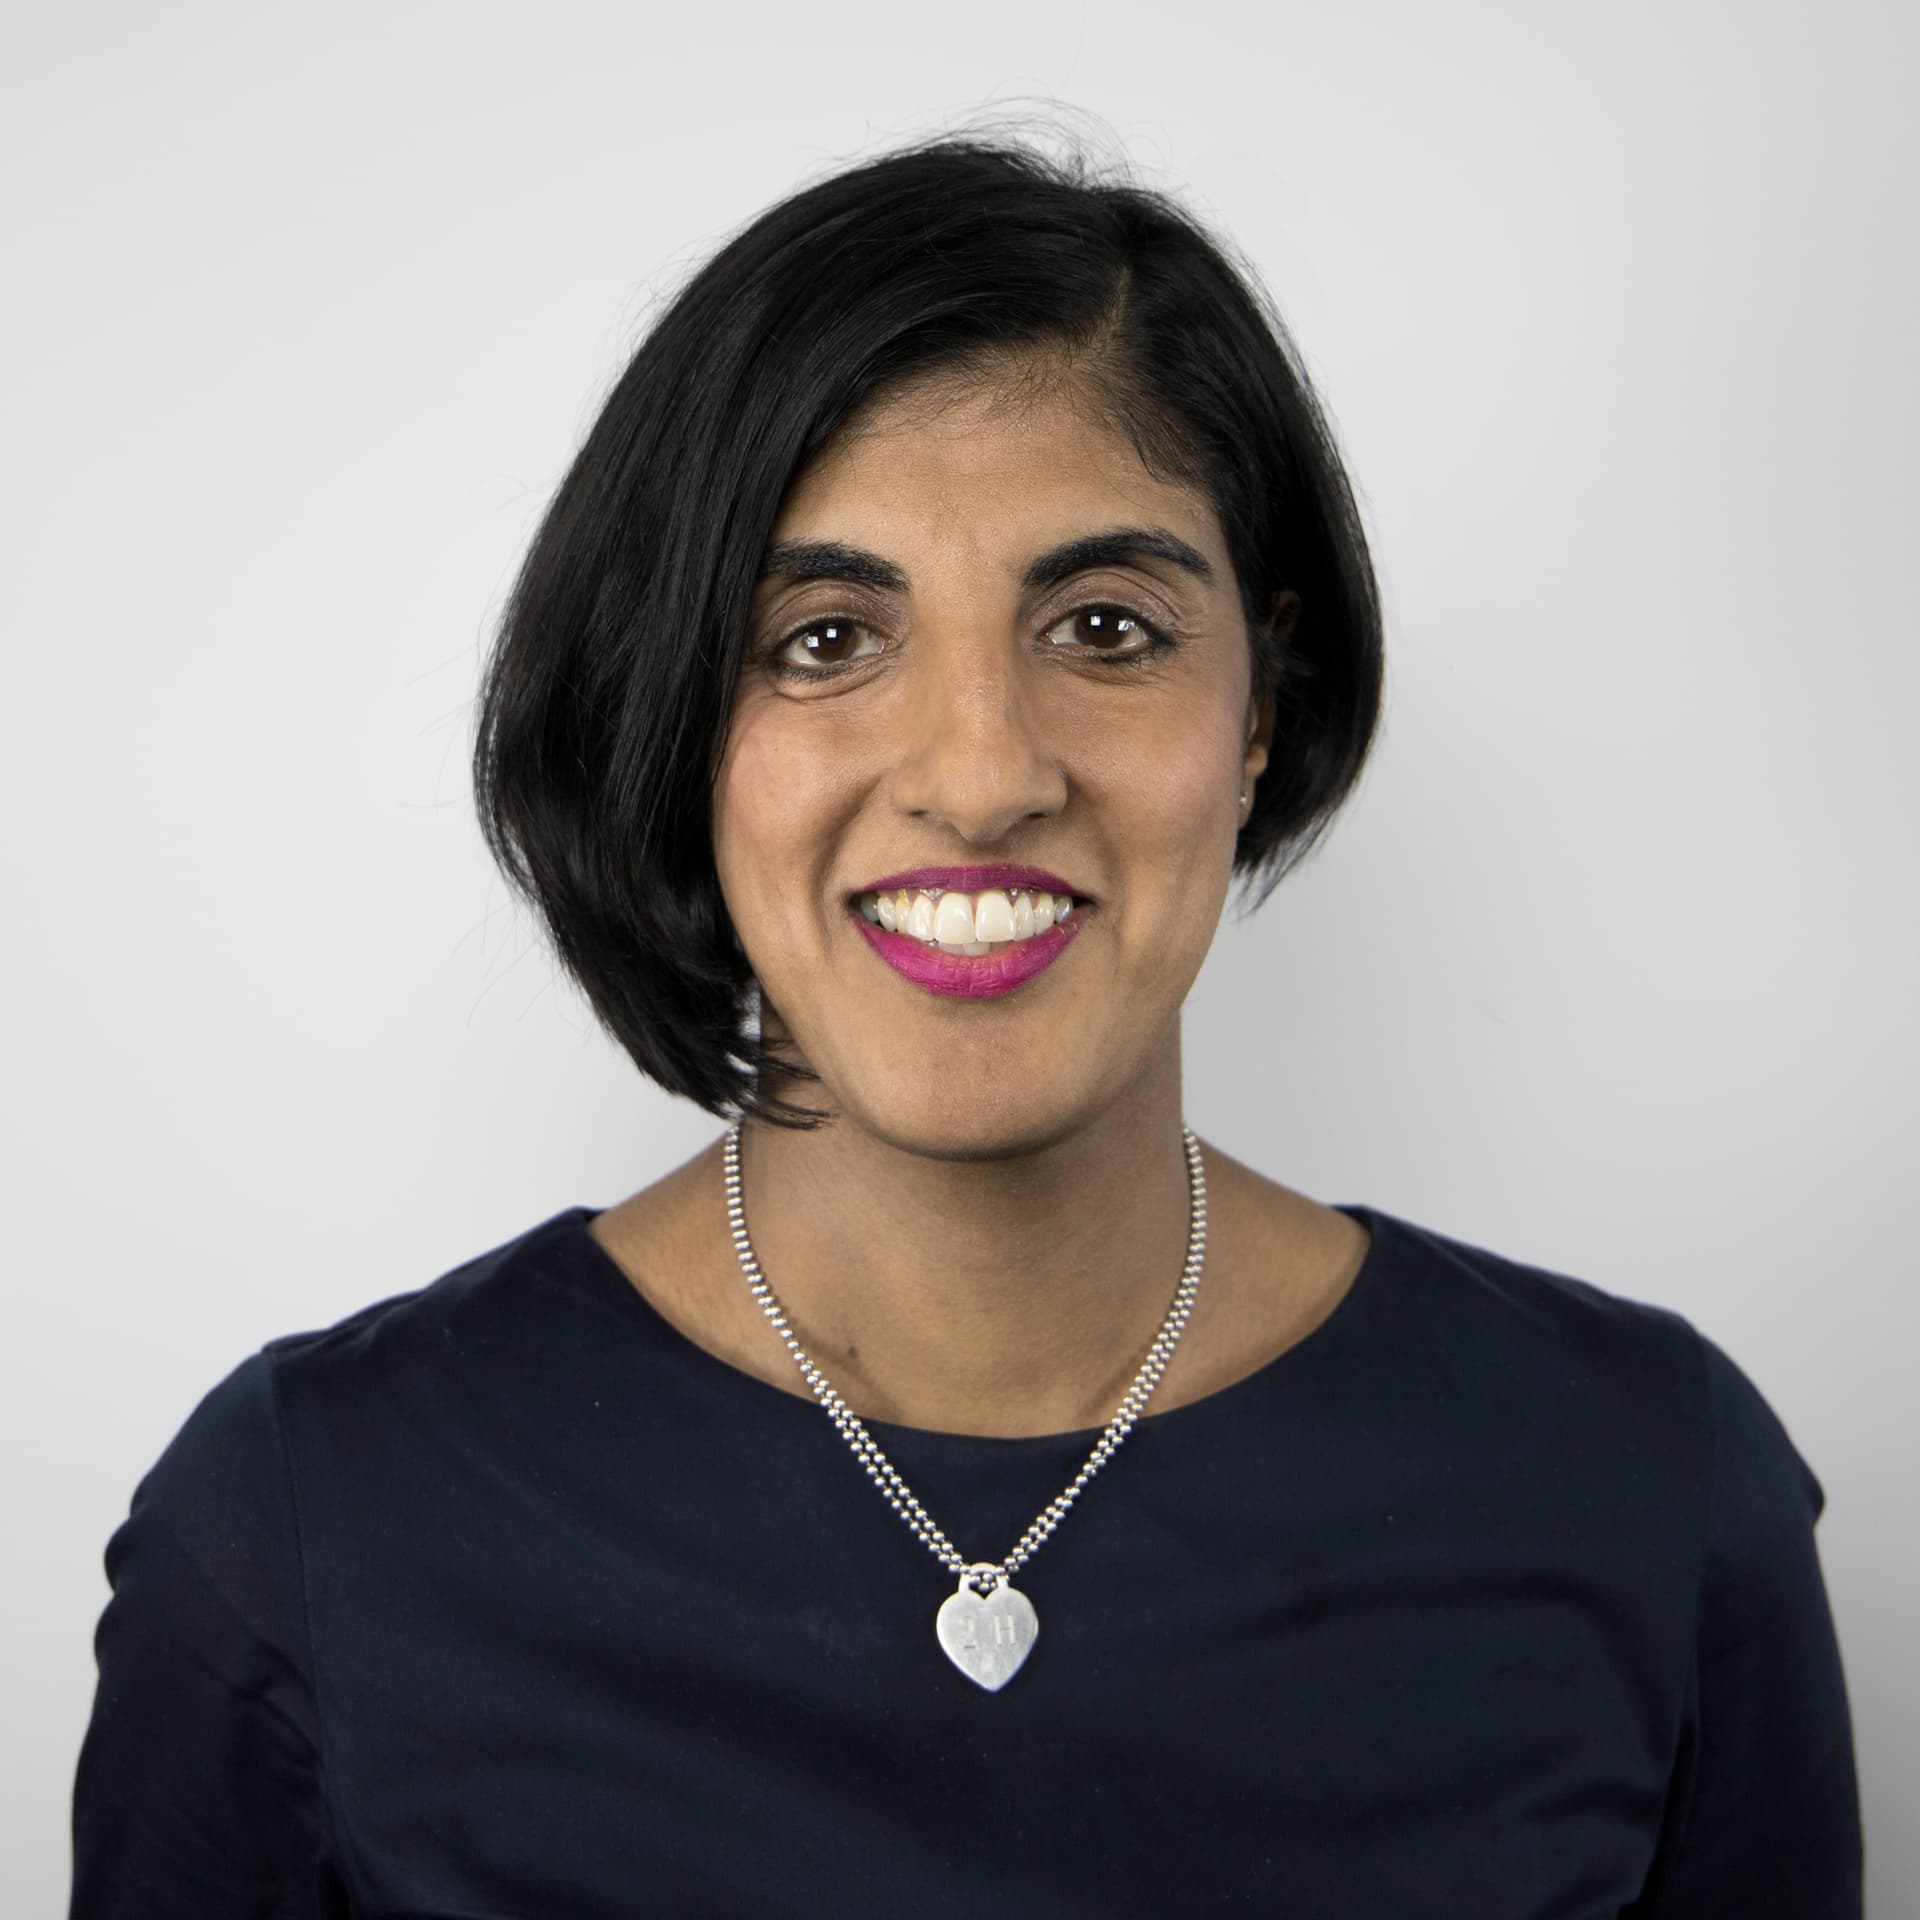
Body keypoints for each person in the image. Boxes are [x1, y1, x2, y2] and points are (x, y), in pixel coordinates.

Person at [69, 130, 1863, 1918]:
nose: (983, 775)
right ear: (677, 723)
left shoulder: (1645, 1492)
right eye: (827, 640)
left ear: (1260, 703)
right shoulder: (310, 1535)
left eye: (1104, 625)